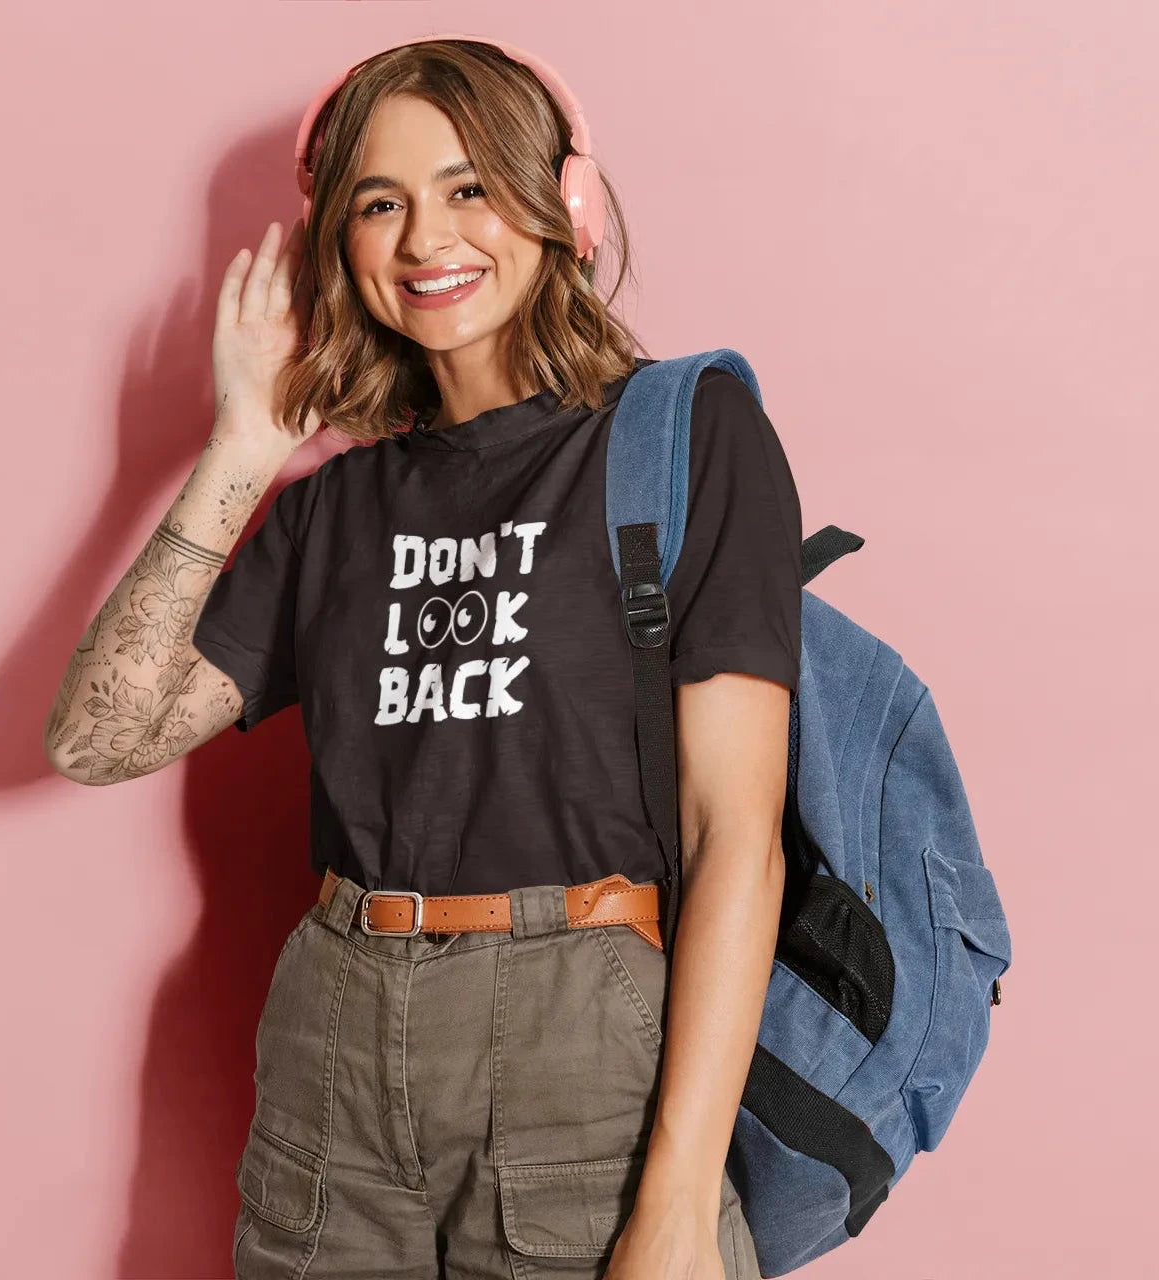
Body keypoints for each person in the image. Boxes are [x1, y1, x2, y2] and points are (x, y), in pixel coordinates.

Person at [43, 35, 800, 1280]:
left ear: (562, 203)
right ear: (335, 242)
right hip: (333, 1026)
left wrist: (671, 1208)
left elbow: (737, 838)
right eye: (377, 203)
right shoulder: (331, 509)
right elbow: (92, 739)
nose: (423, 240)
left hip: (579, 1036)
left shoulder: (680, 437)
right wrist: (245, 440)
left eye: (468, 188)